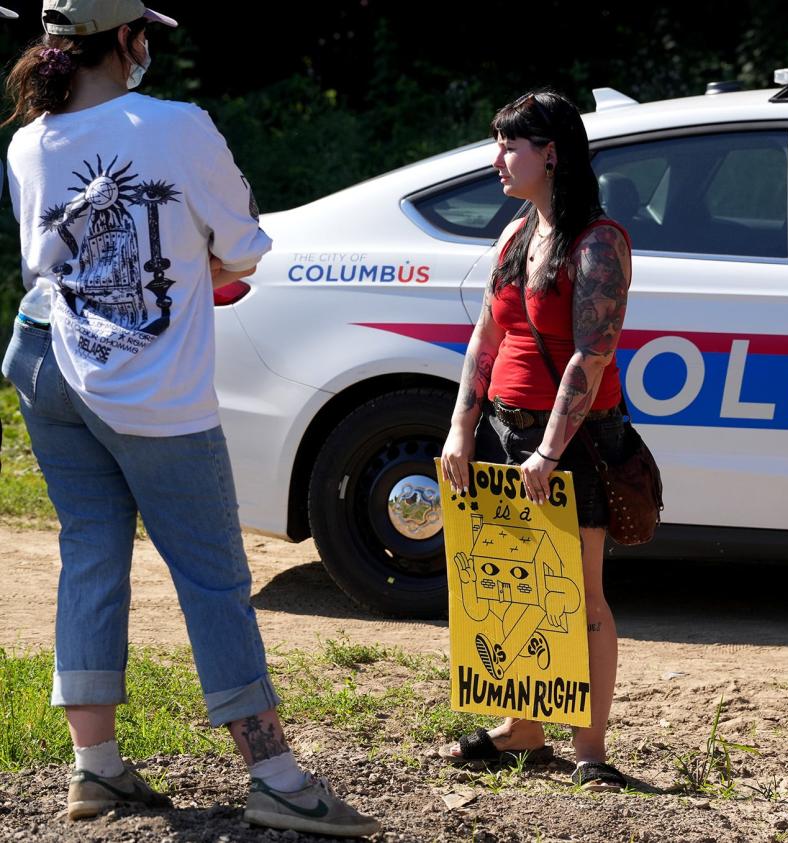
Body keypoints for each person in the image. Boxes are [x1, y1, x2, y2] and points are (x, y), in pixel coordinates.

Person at [0, 1, 379, 836]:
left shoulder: (28, 140)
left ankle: (95, 770)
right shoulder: (178, 125)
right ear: (130, 41)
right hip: (151, 385)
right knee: (212, 577)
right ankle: (274, 775)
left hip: (44, 359)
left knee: (89, 555)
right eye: (147, 37)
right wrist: (192, 254)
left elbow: (43, 258)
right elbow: (242, 248)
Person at [438, 90, 633, 792]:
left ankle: (590, 749)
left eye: (510, 145)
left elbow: (591, 355)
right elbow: (485, 337)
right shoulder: (518, 233)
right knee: (511, 587)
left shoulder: (599, 241)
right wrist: (461, 429)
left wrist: (548, 452)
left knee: (579, 594)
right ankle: (522, 729)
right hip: (501, 429)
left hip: (568, 442)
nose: (497, 158)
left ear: (551, 153)